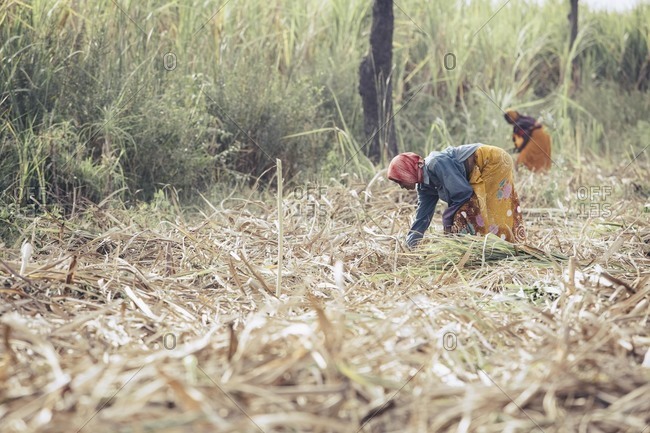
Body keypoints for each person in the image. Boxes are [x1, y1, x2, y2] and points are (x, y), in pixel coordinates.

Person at [387, 144, 526, 248]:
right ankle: (493, 247)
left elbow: (463, 193)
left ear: (408, 170)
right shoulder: (424, 187)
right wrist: (409, 246)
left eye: (400, 180)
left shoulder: (435, 163)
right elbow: (422, 217)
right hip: (485, 165)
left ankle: (502, 247)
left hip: (492, 161)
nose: (401, 185)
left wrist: (447, 219)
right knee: (471, 212)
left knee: (486, 209)